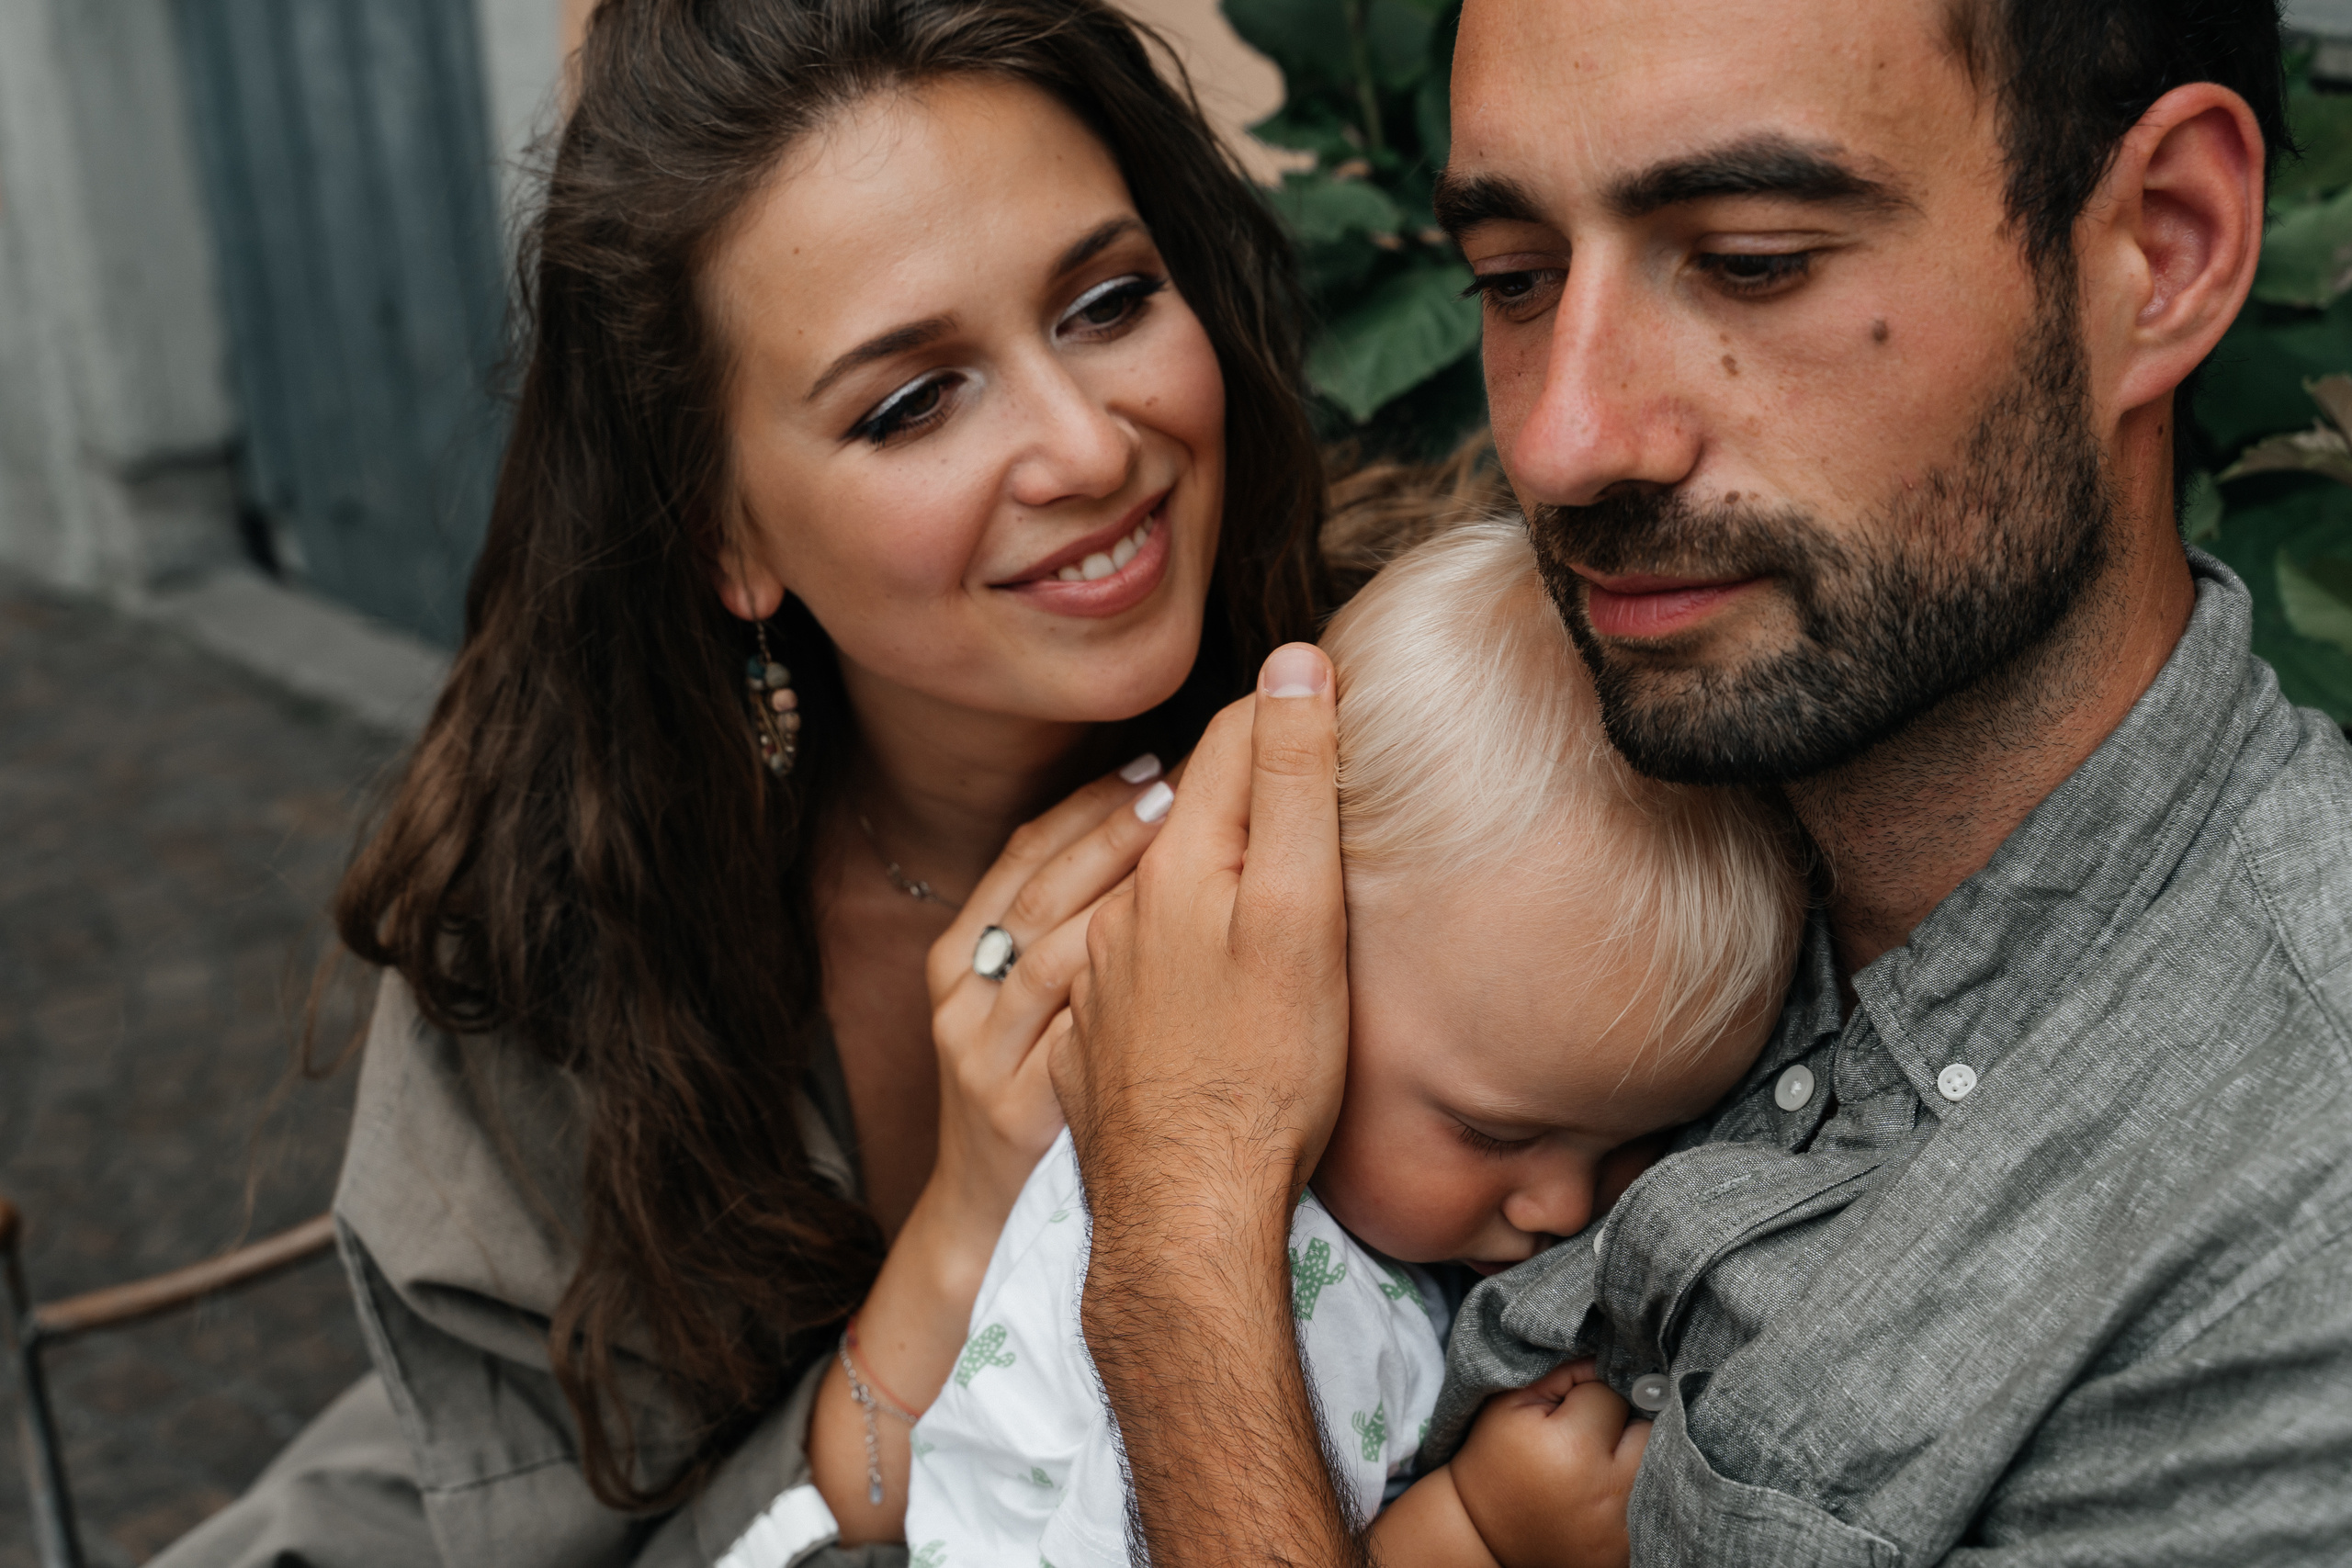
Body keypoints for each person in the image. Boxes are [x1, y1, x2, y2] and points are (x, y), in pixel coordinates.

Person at [1053, 0, 2352, 1563]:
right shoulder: (1503, 800)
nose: (1562, 439)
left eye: (1749, 259)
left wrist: (1179, 1241)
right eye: (1515, 278)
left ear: (2165, 248)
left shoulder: (2296, 1230)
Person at [152, 1, 1329, 1565]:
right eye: (912, 402)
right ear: (727, 535)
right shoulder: (562, 927)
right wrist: (966, 1222)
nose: (1088, 448)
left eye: (1107, 303)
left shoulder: (1414, 743)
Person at [899, 521, 1802, 1567]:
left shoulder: (1382, 1215)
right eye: (1491, 1131)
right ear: (1282, 972)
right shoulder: (1288, 1288)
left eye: (1634, 1140)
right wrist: (1471, 1532)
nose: (1564, 1207)